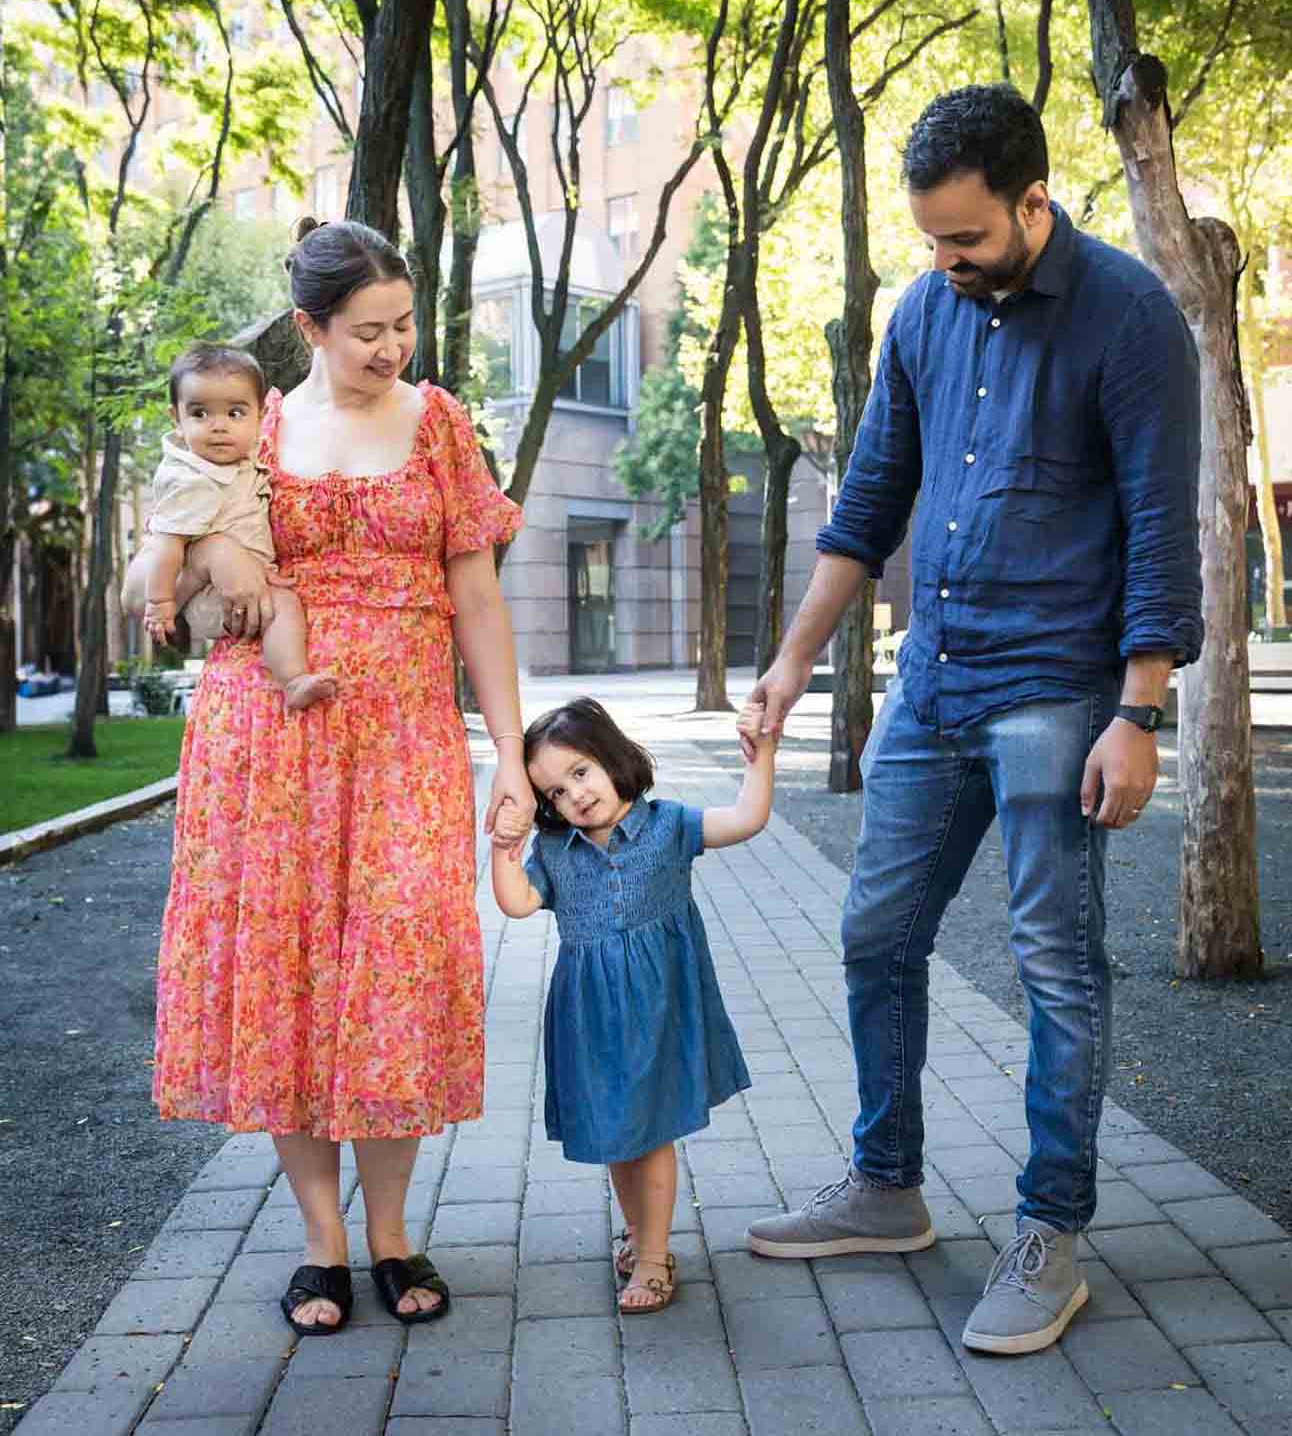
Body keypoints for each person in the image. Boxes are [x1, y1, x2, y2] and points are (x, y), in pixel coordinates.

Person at [742, 84, 1203, 1357]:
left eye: (967, 238)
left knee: (1053, 962)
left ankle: (1049, 1231)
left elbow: (1162, 526)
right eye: (930, 240)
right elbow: (867, 501)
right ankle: (885, 1186)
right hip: (934, 682)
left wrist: (1139, 712)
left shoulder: (1128, 317)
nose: (944, 262)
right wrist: (787, 666)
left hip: (1061, 690)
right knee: (872, 928)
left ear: (1032, 202)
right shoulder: (920, 313)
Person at [128, 216, 534, 1339]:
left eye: (403, 324)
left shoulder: (440, 424)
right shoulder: (245, 432)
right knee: (288, 981)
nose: (392, 346)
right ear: (308, 328)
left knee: (396, 966)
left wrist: (509, 750)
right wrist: (208, 578)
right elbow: (186, 562)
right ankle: (322, 1244)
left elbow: (479, 598)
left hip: (403, 736)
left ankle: (396, 1229)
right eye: (366, 332)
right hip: (265, 738)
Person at [490, 696, 776, 1314]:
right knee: (618, 1135)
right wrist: (503, 848)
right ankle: (638, 1231)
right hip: (592, 1016)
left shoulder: (669, 827)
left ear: (612, 757)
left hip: (661, 1008)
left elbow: (748, 818)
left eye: (580, 772)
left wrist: (764, 757)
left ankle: (653, 1256)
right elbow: (515, 903)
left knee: (651, 1135)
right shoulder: (557, 855)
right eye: (555, 793)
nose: (574, 796)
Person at [137, 342, 336, 710]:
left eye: (234, 413)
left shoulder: (243, 462)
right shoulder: (189, 478)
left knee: (282, 602)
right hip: (211, 595)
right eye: (200, 414)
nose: (218, 427)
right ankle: (292, 679)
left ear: (260, 415)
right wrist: (160, 602)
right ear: (175, 419)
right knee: (284, 606)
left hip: (246, 581)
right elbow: (167, 545)